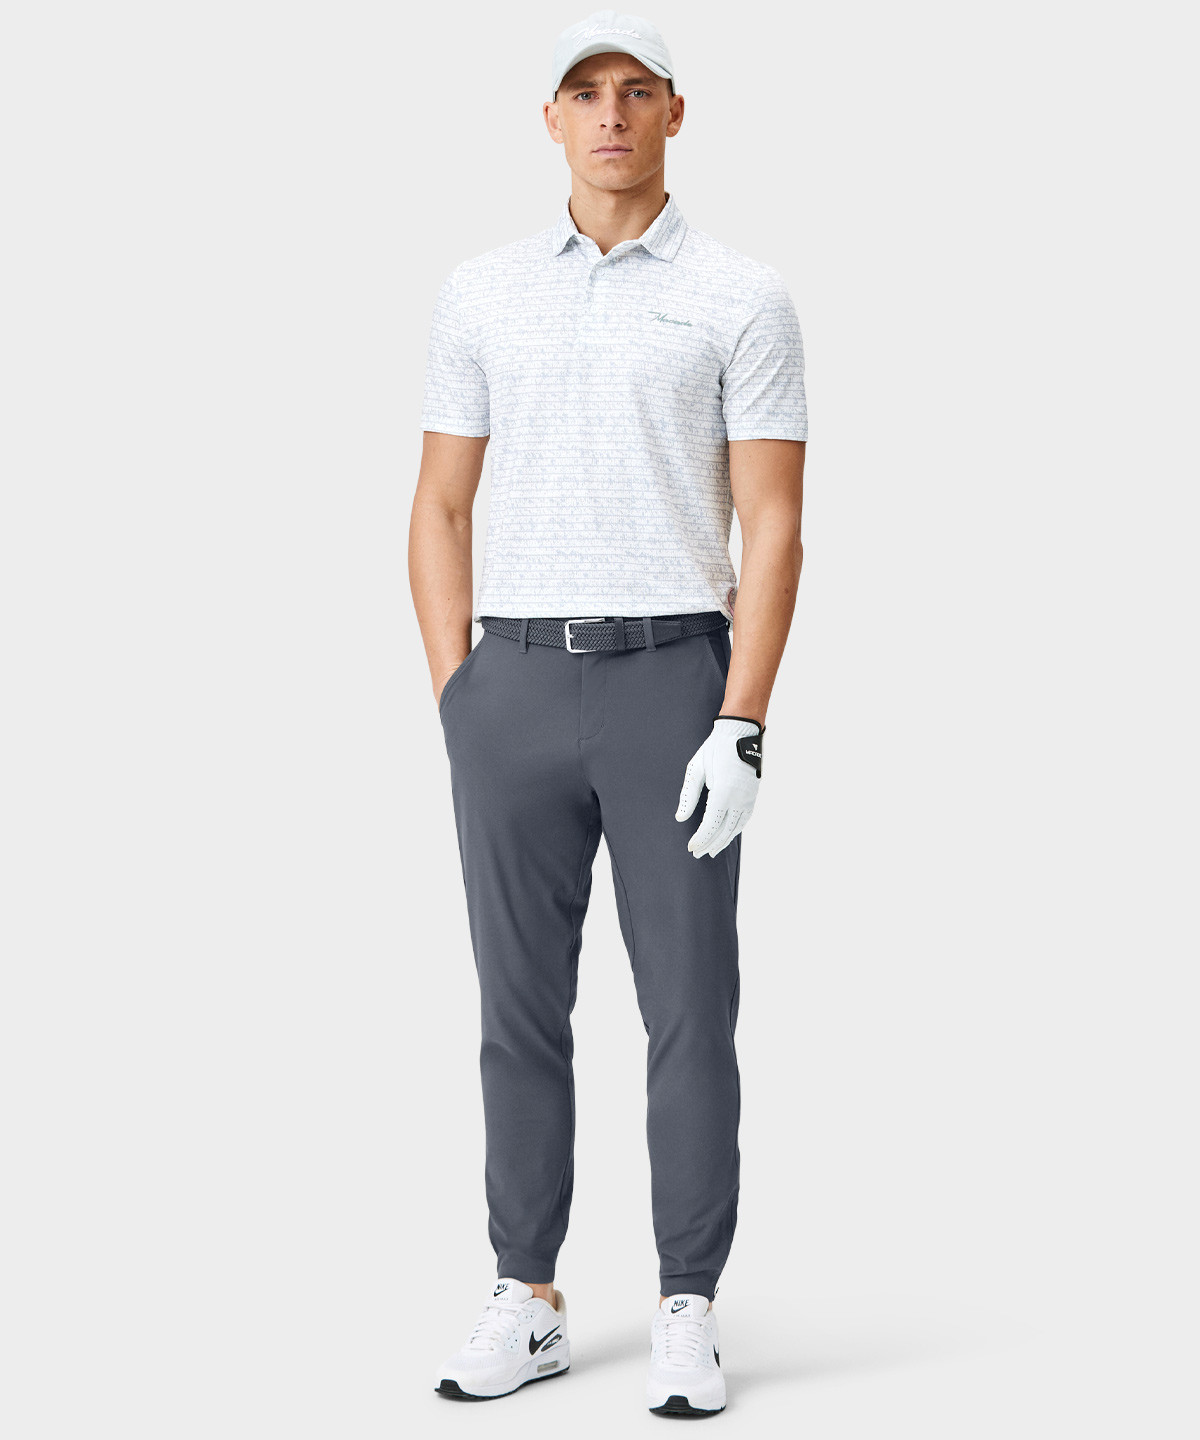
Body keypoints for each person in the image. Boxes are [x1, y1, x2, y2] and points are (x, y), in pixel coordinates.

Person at [409, 9, 807, 1418]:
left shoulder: (743, 295)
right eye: (586, 93)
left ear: (676, 114)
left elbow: (773, 524)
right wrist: (459, 694)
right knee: (516, 1009)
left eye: (639, 90)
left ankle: (688, 1300)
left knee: (689, 1009)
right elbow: (440, 504)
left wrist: (741, 720)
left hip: (671, 684)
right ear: (551, 119)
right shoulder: (482, 292)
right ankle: (527, 1296)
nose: (612, 114)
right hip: (510, 683)